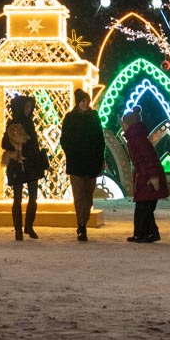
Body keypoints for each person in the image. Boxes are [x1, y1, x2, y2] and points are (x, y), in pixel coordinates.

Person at [59, 88, 105, 240]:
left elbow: (100, 140)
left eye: (87, 101)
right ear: (78, 103)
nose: (85, 104)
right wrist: (72, 153)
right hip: (77, 163)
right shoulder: (70, 118)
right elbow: (64, 139)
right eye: (83, 101)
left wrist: (100, 159)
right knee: (79, 196)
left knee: (88, 196)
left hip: (91, 163)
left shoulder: (94, 117)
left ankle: (83, 221)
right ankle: (81, 225)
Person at [2, 95, 46, 240]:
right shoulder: (13, 124)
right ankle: (18, 229)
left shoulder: (30, 123)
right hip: (18, 165)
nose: (29, 110)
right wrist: (17, 150)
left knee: (33, 197)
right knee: (17, 198)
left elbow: (34, 144)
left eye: (30, 107)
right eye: (26, 107)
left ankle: (28, 225)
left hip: (31, 165)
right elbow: (5, 143)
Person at [122, 109, 167, 242]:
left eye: (123, 123)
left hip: (147, 177)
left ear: (129, 125)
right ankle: (150, 233)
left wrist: (153, 177)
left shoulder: (136, 139)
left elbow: (148, 158)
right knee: (146, 207)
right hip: (146, 176)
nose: (122, 126)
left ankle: (141, 234)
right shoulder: (136, 137)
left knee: (143, 207)